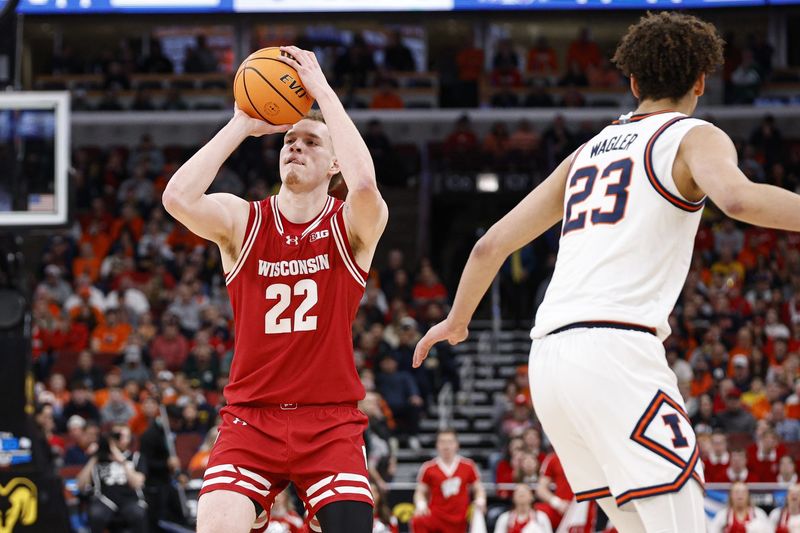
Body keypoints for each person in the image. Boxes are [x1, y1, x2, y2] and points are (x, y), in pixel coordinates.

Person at [414, 11, 800, 532]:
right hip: (616, 353)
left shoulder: (586, 152)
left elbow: (490, 245)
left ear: (634, 81)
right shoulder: (693, 135)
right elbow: (737, 198)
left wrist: (457, 322)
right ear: (702, 82)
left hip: (548, 361)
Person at [162, 45, 387, 533]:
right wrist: (241, 122)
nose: (295, 146)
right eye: (289, 139)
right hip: (250, 418)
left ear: (334, 166)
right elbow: (177, 197)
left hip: (329, 421)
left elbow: (365, 184)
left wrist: (322, 93)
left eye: (310, 142)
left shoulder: (352, 224)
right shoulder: (243, 220)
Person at [411, 429, 486, 533]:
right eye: (442, 442)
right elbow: (420, 491)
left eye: (450, 442)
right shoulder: (428, 467)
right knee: (418, 520)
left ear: (457, 444)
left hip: (460, 516)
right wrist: (421, 503)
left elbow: (478, 488)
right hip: (437, 515)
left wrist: (481, 499)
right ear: (437, 445)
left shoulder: (468, 466)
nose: (446, 446)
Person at [76, 427, 147, 533]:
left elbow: (137, 483)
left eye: (123, 436)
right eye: (116, 436)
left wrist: (120, 459)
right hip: (104, 499)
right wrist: (95, 456)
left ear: (129, 439)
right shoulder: (98, 459)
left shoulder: (135, 457)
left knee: (138, 514)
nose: (119, 439)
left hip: (129, 499)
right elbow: (80, 485)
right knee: (96, 514)